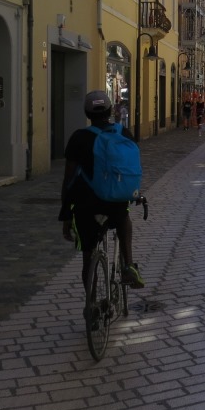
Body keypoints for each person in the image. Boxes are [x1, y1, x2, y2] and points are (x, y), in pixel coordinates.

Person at [60, 90, 145, 321]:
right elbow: (130, 169)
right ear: (110, 111)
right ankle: (128, 265)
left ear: (87, 113)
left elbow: (68, 180)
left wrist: (66, 215)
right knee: (123, 218)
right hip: (116, 202)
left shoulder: (78, 138)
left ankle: (91, 304)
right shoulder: (124, 133)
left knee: (88, 255)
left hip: (86, 205)